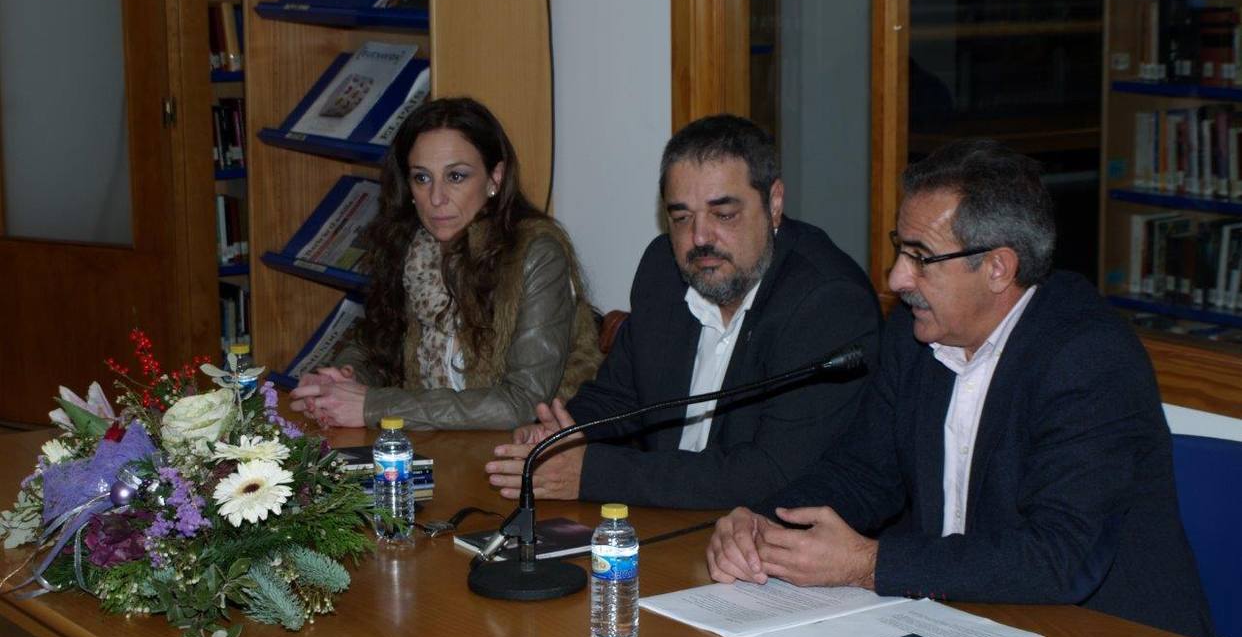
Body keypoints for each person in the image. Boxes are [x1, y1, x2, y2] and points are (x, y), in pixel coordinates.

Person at [706, 138, 1242, 637]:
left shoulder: (1087, 357)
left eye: (920, 257)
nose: (896, 278)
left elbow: (1060, 559)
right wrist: (768, 525)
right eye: (899, 249)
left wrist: (868, 564)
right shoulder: (918, 334)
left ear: (998, 268)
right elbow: (864, 471)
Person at [486, 114, 880, 509]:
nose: (700, 238)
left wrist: (590, 473)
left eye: (723, 215)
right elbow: (621, 395)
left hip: (764, 530)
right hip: (668, 518)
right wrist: (562, 435)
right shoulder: (664, 269)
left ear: (774, 202)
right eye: (681, 217)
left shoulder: (828, 303)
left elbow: (771, 473)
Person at [290, 97, 602, 429]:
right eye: (422, 178)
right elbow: (377, 342)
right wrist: (343, 379)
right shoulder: (412, 246)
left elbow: (523, 402)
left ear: (495, 178)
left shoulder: (536, 254)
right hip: (437, 441)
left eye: (456, 176)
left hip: (520, 446)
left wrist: (374, 406)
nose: (436, 198)